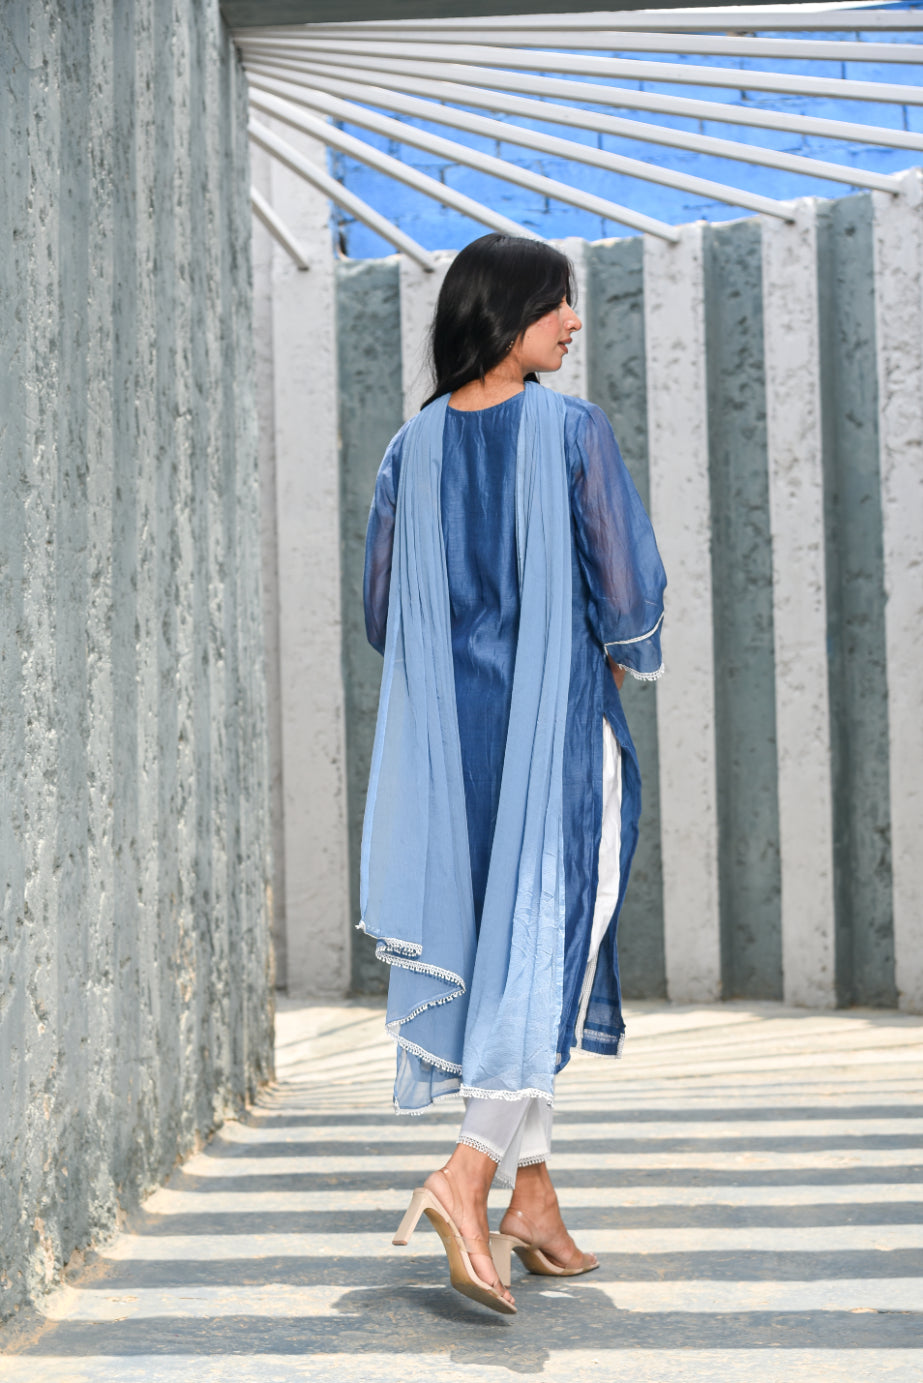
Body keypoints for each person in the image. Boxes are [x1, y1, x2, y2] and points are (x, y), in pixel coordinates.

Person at [361, 233, 666, 1314]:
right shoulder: (571, 430)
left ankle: (530, 1202)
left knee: (499, 954)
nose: (571, 325)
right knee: (545, 950)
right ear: (507, 314)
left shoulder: (412, 447)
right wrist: (621, 659)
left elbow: (381, 613)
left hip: (458, 754)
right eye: (557, 306)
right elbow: (624, 590)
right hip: (552, 734)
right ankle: (466, 1175)